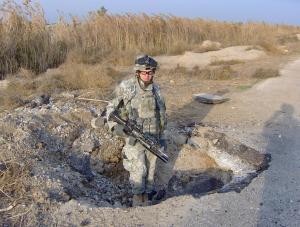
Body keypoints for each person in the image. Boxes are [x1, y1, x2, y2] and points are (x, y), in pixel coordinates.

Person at [106, 54, 167, 206]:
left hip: (152, 138)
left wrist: (162, 136)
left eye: (151, 72)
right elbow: (110, 109)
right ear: (138, 72)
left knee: (151, 172)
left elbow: (161, 114)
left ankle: (146, 201)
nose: (148, 75)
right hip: (134, 137)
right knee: (139, 171)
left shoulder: (156, 89)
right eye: (145, 72)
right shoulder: (126, 87)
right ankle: (137, 202)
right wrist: (117, 128)